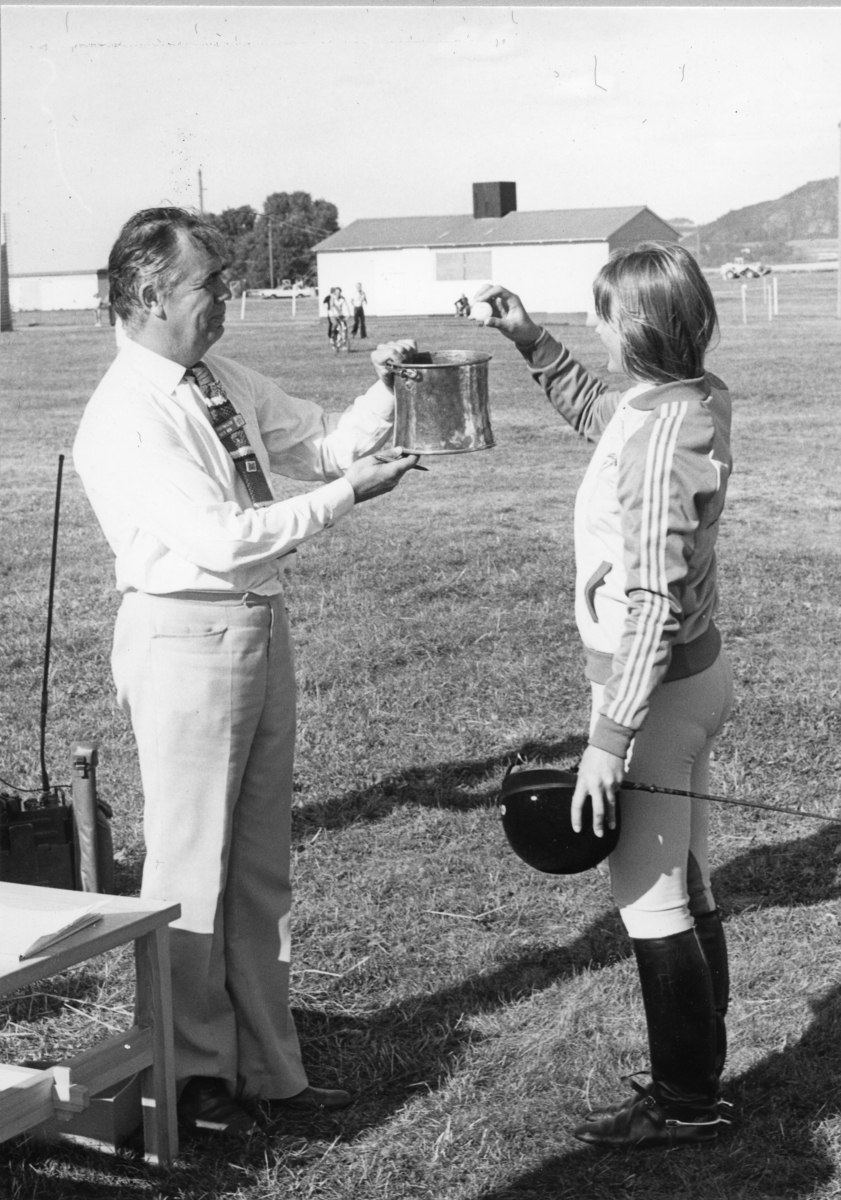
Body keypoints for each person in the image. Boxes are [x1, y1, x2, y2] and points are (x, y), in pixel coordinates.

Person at [73, 207, 420, 1138]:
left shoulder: (216, 377)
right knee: (189, 869)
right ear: (151, 295)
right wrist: (345, 498)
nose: (225, 298)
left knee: (260, 866)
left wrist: (386, 390)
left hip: (258, 624)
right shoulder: (128, 412)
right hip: (186, 633)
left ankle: (269, 1067)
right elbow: (223, 541)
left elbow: (324, 442)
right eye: (210, 284)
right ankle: (192, 1080)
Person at [475, 243, 734, 1150]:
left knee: (648, 900)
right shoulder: (677, 400)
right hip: (689, 682)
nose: (595, 327)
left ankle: (685, 1103)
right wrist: (530, 341)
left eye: (602, 315)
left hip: (654, 696)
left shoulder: (664, 438)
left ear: (637, 326)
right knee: (687, 884)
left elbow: (652, 604)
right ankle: (697, 1080)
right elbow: (605, 416)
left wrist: (607, 740)